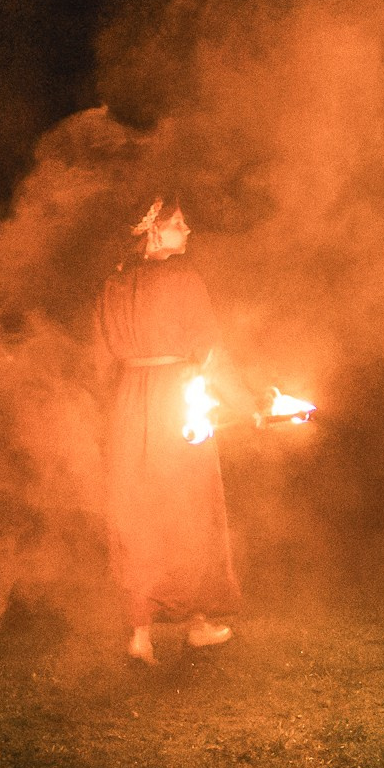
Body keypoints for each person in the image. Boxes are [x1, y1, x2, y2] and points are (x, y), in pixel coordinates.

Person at [96, 199, 241, 665]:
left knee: (139, 510)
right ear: (153, 231)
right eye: (178, 223)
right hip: (174, 402)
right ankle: (197, 624)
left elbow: (99, 355)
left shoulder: (113, 284)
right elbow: (210, 350)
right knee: (188, 509)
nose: (188, 228)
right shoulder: (184, 280)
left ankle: (140, 633)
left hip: (129, 404)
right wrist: (245, 403)